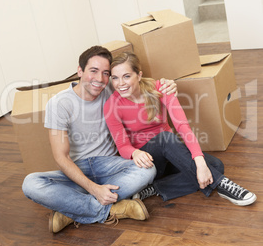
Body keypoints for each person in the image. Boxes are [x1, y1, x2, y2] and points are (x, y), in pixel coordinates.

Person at [22, 46, 176, 233]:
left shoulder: (112, 88)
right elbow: (61, 158)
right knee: (30, 183)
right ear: (79, 71)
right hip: (78, 169)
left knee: (148, 169)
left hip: (111, 165)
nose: (100, 79)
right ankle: (114, 209)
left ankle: (71, 211)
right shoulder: (59, 104)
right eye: (93, 71)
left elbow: (140, 82)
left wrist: (167, 84)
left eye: (105, 73)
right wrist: (94, 189)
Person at [104, 52, 257, 206]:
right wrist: (134, 152)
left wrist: (200, 161)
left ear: (138, 75)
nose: (120, 83)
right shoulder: (111, 105)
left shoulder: (160, 88)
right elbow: (122, 146)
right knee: (166, 139)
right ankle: (223, 185)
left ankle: (155, 188)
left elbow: (182, 125)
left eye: (126, 76)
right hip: (146, 161)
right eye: (115, 78)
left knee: (215, 166)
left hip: (171, 150)